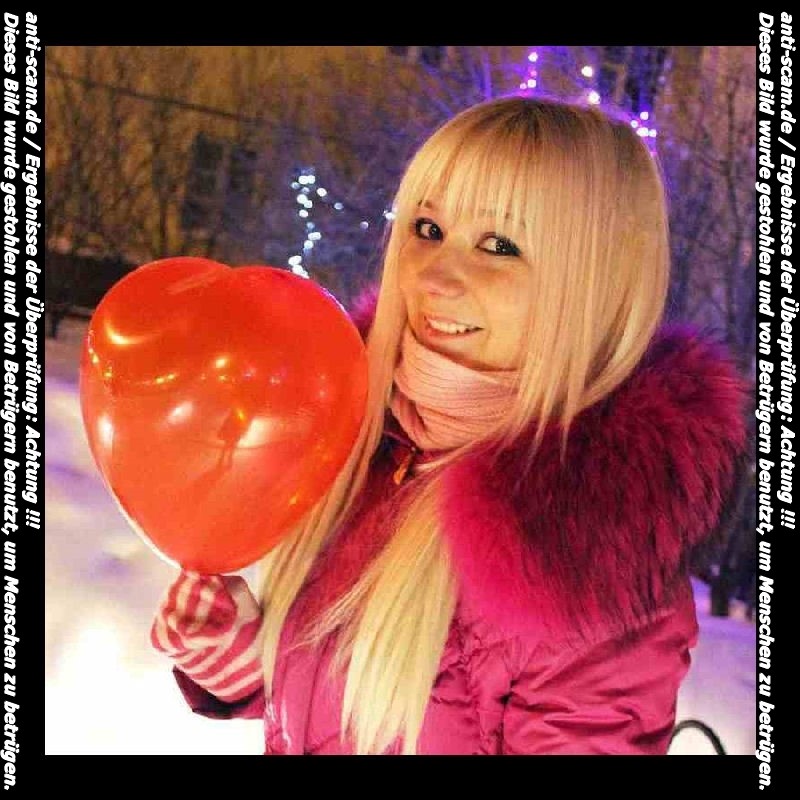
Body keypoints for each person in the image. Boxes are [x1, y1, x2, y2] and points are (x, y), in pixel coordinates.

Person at [150, 95, 749, 755]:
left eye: (500, 245)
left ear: (594, 286)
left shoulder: (588, 562)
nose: (434, 275)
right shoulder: (368, 439)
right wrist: (243, 663)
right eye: (428, 228)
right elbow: (359, 706)